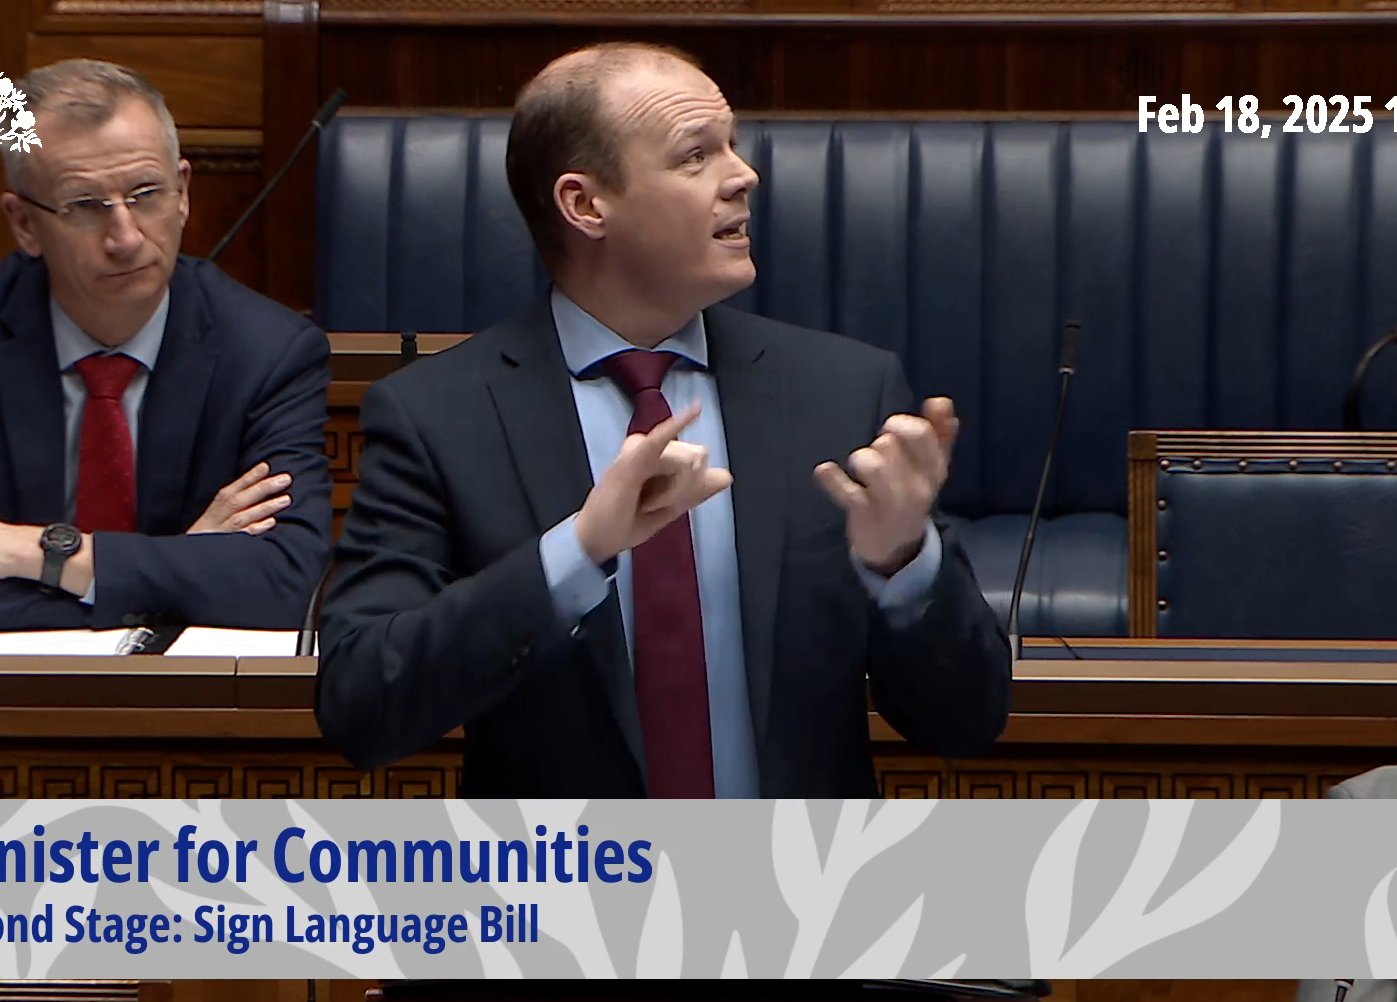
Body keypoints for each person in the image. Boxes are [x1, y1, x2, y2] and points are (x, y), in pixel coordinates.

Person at [316, 43, 1010, 797]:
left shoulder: (842, 394)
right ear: (585, 205)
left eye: (733, 146)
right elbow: (361, 705)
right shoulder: (436, 416)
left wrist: (900, 561)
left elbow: (968, 719)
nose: (743, 175)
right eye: (694, 155)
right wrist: (577, 552)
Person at [0, 59, 331, 636]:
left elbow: (288, 586)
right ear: (24, 223)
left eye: (145, 194)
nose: (125, 237)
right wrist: (175, 569)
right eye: (84, 206)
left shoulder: (270, 352)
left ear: (184, 193)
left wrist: (31, 553)